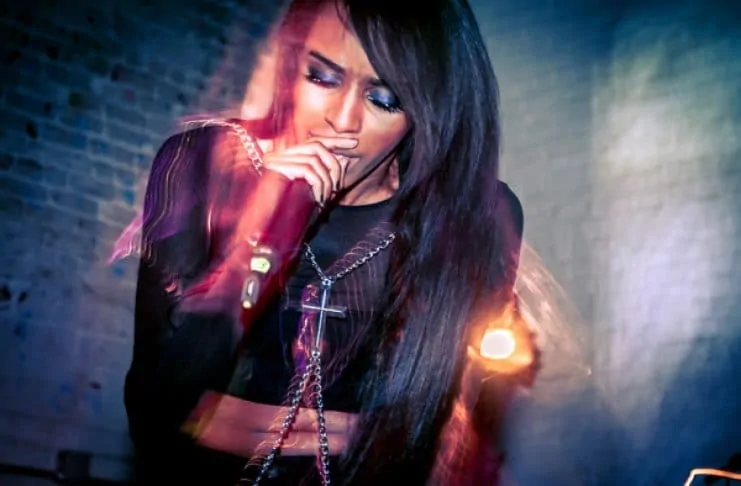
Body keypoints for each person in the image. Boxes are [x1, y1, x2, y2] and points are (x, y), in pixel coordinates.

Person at [122, 0, 537, 484]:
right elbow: (154, 410)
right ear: (290, 65)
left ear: (426, 112)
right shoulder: (203, 164)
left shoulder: (475, 217)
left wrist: (229, 420)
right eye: (321, 77)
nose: (342, 120)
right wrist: (265, 230)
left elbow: (427, 438)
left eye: (384, 100)